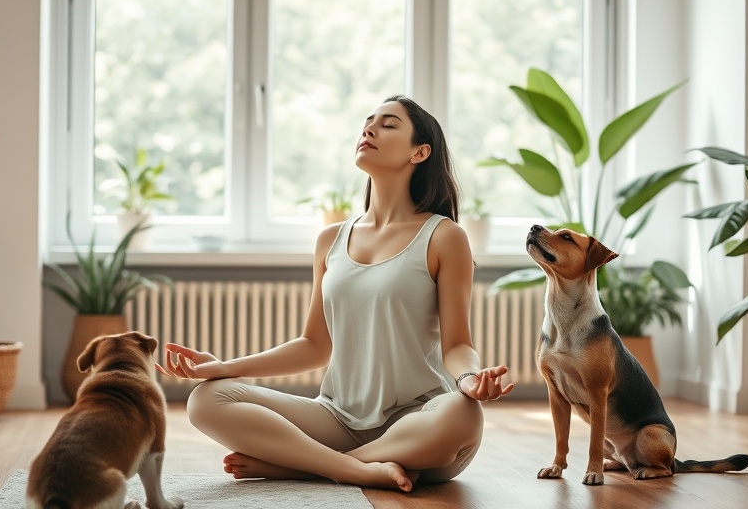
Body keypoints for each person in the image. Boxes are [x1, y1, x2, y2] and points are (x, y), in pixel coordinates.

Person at [156, 95, 514, 492]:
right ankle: (355, 469)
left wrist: (469, 379)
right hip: (337, 419)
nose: (369, 129)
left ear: (420, 152)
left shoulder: (444, 236)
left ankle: (307, 467)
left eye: (388, 124)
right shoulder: (331, 239)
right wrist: (224, 367)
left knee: (463, 414)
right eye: (368, 122)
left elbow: (457, 345)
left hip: (419, 422)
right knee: (206, 400)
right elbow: (313, 346)